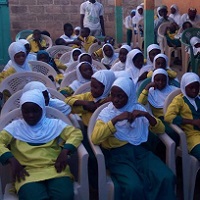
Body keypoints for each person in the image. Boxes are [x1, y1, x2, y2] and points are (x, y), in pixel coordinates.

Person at [91, 77, 176, 200]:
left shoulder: (138, 109)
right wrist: (115, 120)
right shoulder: (107, 113)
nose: (115, 100)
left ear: (130, 96)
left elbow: (161, 129)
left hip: (141, 153)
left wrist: (146, 115)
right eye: (113, 95)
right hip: (118, 157)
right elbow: (95, 138)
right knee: (134, 187)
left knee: (166, 176)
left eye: (120, 96)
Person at [0, 89, 83, 200]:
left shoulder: (53, 124)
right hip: (27, 172)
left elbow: (75, 134)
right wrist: (11, 159)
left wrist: (65, 150)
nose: (31, 115)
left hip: (55, 169)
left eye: (35, 111)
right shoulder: (15, 127)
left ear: (42, 109)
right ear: (21, 111)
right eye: (26, 111)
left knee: (64, 196)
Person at [138, 68, 179, 145]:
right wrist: (147, 87)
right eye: (157, 80)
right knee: (172, 132)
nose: (160, 82)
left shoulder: (173, 90)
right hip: (161, 119)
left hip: (174, 115)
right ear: (153, 80)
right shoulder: (150, 92)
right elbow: (140, 103)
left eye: (163, 80)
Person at [164, 72, 200, 160]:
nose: (194, 90)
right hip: (192, 137)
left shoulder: (198, 98)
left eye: (197, 87)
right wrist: (192, 122)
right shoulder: (179, 100)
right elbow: (168, 117)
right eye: (191, 87)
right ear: (184, 87)